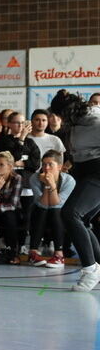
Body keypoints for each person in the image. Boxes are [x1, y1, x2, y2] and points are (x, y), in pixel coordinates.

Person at [48, 90, 100, 291]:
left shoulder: (96, 120)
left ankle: (90, 269)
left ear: (68, 112)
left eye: (60, 115)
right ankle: (97, 265)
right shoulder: (76, 122)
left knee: (70, 213)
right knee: (83, 220)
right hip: (84, 170)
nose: (58, 119)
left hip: (98, 171)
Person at [0, 111, 40, 246]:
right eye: (17, 122)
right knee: (9, 216)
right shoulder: (2, 141)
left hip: (26, 186)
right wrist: (21, 139)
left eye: (23, 122)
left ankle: (23, 244)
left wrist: (21, 163)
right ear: (9, 124)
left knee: (26, 217)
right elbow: (14, 157)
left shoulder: (30, 143)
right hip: (7, 186)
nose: (21, 125)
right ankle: (7, 243)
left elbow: (36, 164)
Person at [28, 150, 75, 269]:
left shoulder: (69, 180)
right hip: (41, 213)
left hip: (60, 215)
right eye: (43, 164)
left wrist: (51, 185)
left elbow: (56, 204)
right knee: (41, 210)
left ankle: (59, 255)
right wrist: (47, 185)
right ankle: (33, 253)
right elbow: (43, 204)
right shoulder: (35, 177)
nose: (46, 168)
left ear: (59, 167)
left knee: (55, 211)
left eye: (50, 164)